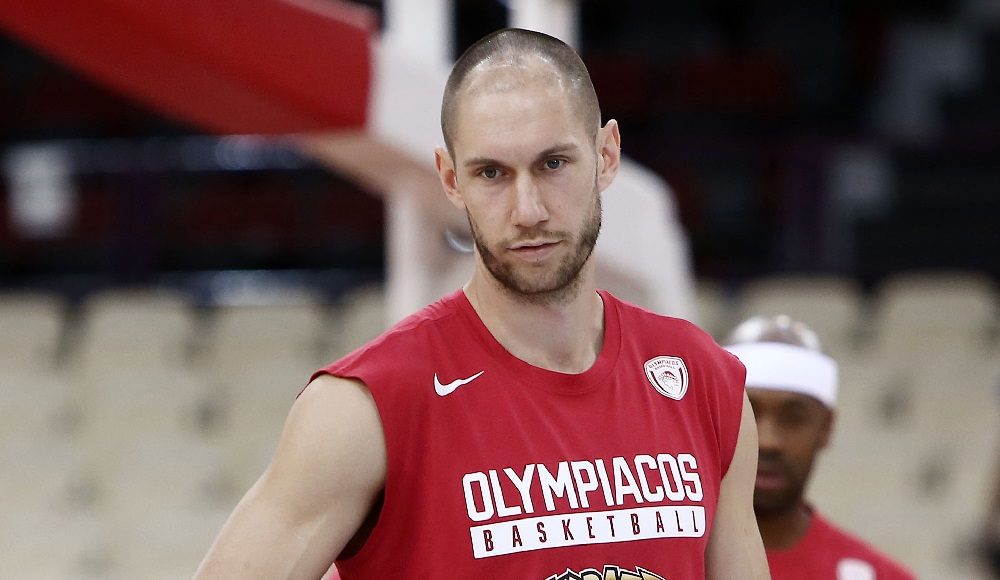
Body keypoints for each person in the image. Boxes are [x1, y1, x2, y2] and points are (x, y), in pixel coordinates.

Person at [195, 28, 769, 579]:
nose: (528, 210)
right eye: (492, 173)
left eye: (553, 164)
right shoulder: (363, 410)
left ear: (607, 155)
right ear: (450, 179)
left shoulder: (705, 382)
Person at [724, 315, 915, 580]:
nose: (768, 441)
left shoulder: (879, 575)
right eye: (748, 414)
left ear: (826, 427)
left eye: (793, 418)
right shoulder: (671, 559)